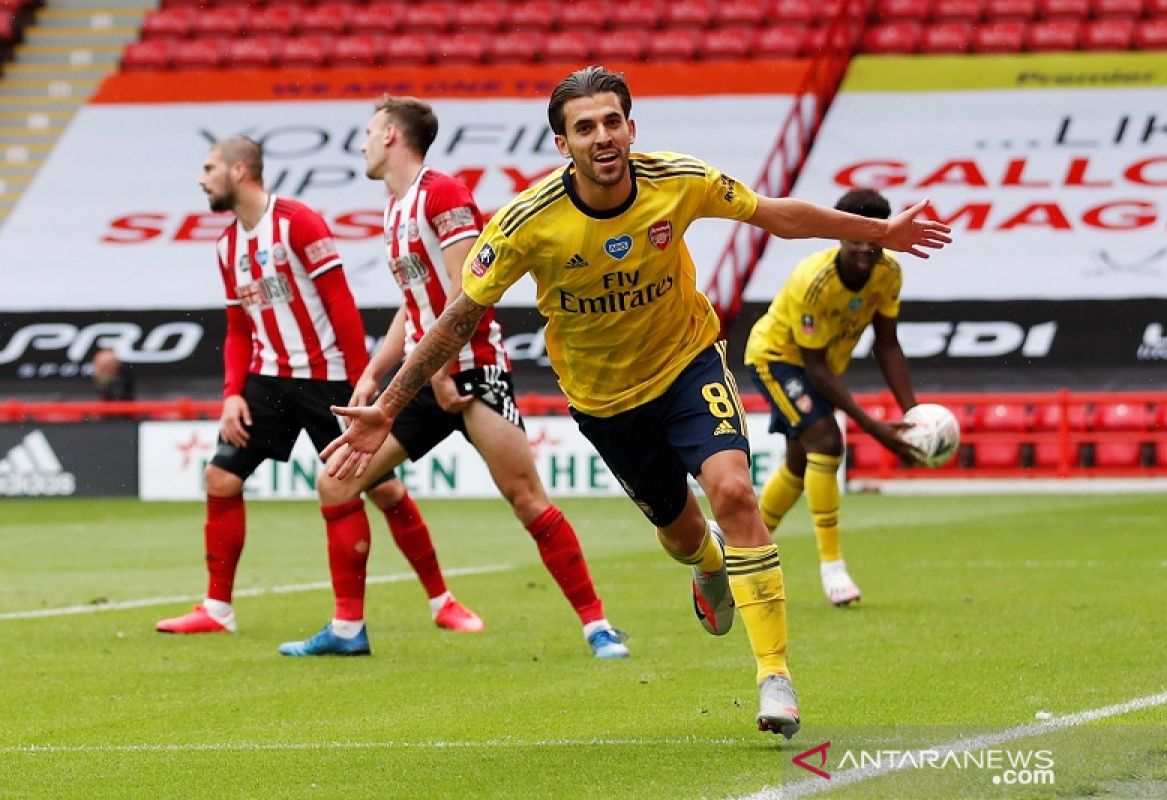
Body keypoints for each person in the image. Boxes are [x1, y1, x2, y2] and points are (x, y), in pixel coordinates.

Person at [319, 67, 951, 736]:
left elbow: (775, 213)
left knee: (735, 492)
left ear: (631, 127)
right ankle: (708, 563)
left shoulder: (676, 179)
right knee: (681, 538)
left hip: (688, 364)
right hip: (605, 401)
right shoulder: (525, 223)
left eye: (612, 122)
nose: (602, 137)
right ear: (562, 145)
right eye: (584, 127)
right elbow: (458, 316)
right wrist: (388, 405)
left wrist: (877, 233)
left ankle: (775, 675)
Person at [282, 96, 628, 661]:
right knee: (337, 480)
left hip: (472, 373)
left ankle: (598, 626)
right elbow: (414, 305)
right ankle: (347, 630)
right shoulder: (397, 209)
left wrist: (442, 370)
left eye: (370, 132)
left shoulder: (443, 193)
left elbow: (465, 290)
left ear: (393, 136)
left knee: (526, 499)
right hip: (424, 379)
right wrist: (374, 372)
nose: (363, 143)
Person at [156, 136, 485, 642]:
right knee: (221, 479)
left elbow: (340, 305)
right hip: (268, 382)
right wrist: (231, 393)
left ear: (240, 170)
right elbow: (239, 328)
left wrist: (362, 384)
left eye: (209, 168)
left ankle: (442, 600)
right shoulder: (227, 246)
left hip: (327, 379)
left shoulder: (298, 222)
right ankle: (218, 608)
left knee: (382, 487)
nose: (201, 179)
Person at [745, 189, 920, 608]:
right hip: (778, 360)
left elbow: (888, 345)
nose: (865, 246)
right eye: (854, 234)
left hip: (821, 367)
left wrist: (914, 413)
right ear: (839, 234)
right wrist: (872, 426)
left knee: (799, 460)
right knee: (826, 441)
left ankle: (745, 550)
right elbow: (815, 366)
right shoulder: (814, 281)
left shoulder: (889, 273)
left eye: (872, 235)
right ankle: (832, 567)